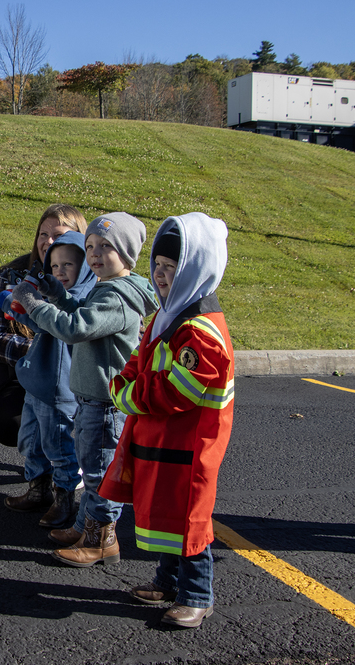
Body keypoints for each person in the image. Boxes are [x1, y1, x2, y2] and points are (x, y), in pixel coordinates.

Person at [100, 212, 234, 629]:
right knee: (161, 510)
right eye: (157, 266)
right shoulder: (167, 315)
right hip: (162, 439)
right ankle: (166, 579)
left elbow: (178, 390)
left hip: (191, 447)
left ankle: (197, 593)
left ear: (195, 270)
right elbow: (139, 361)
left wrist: (126, 394)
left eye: (170, 268)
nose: (159, 275)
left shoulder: (202, 331)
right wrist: (126, 383)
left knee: (189, 517)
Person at [10, 212, 158, 567]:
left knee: (100, 473)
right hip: (93, 398)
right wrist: (58, 294)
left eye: (106, 246)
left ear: (126, 254)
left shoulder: (118, 297)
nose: (94, 253)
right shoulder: (109, 289)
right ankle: (83, 526)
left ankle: (101, 539)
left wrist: (33, 304)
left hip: (105, 403)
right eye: (90, 245)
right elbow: (82, 312)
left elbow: (77, 327)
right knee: (93, 469)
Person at [0, 203, 87, 459]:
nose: (48, 242)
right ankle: (42, 469)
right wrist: (44, 353)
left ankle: (74, 459)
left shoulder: (98, 279)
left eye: (58, 235)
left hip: (79, 376)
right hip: (20, 371)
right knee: (12, 422)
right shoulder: (12, 275)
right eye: (43, 234)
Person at [3, 231, 97, 528]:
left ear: (85, 267)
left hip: (60, 391)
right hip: (37, 382)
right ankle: (38, 489)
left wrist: (33, 306)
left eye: (68, 265)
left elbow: (62, 327)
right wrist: (14, 307)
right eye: (54, 266)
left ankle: (64, 498)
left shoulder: (82, 302)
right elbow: (44, 326)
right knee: (30, 442)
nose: (60, 272)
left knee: (59, 447)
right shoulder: (54, 298)